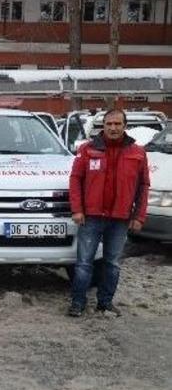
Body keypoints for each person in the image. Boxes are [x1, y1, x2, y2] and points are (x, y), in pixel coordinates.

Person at [68, 109, 150, 317]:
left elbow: (143, 186)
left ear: (124, 126)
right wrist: (77, 209)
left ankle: (104, 303)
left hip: (120, 219)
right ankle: (77, 303)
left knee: (112, 264)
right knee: (84, 263)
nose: (113, 128)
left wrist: (139, 216)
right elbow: (75, 180)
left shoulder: (138, 153)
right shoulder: (87, 150)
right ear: (103, 126)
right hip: (91, 217)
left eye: (117, 124)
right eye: (109, 124)